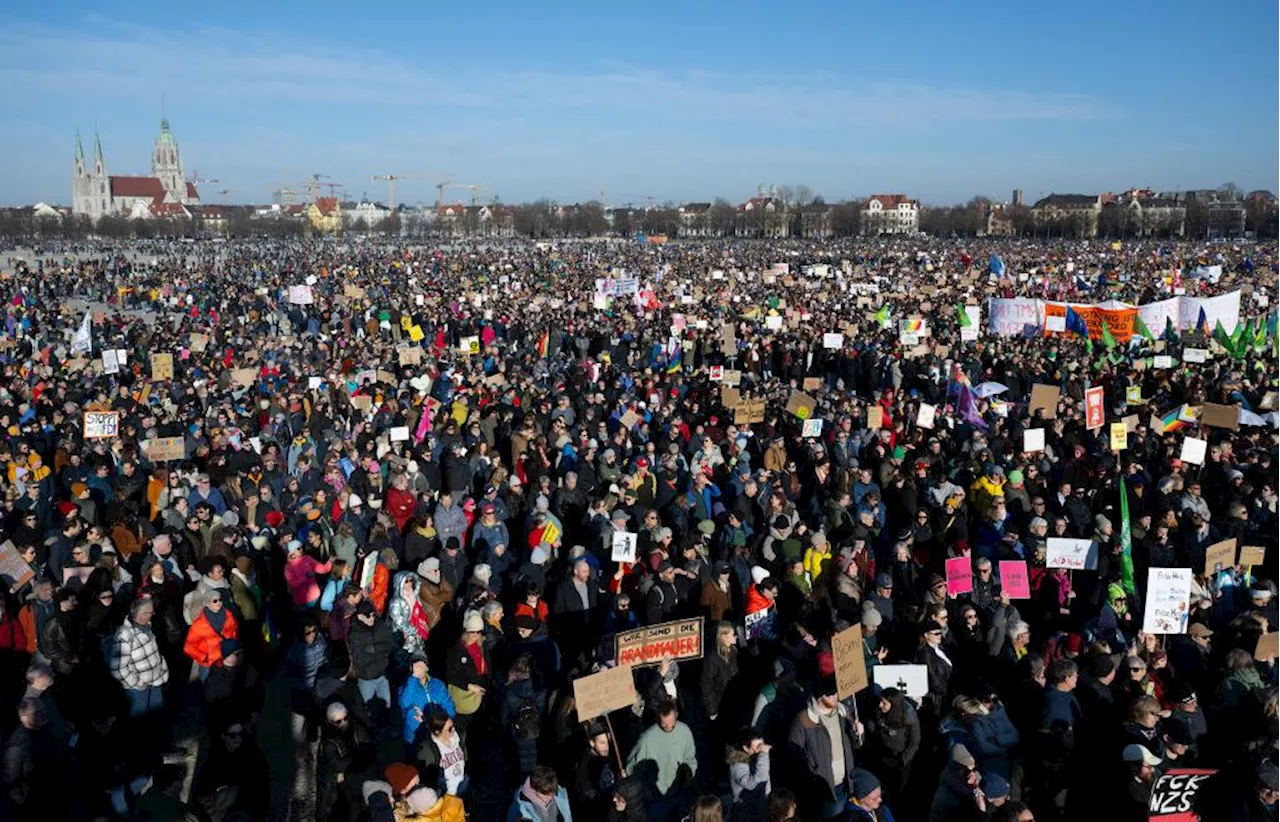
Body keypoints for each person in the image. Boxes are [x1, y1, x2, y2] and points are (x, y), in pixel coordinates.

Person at [788, 675, 862, 820]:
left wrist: (857, 733)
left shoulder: (844, 713)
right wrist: (811, 773)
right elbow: (794, 753)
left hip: (846, 781)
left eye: (835, 693)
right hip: (824, 786)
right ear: (818, 696)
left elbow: (857, 744)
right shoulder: (804, 719)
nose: (835, 697)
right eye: (829, 694)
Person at [626, 698, 698, 818]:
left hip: (679, 792)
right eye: (664, 724)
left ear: (676, 715)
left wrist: (687, 775)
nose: (668, 727)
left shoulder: (684, 731)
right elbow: (632, 767)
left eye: (671, 723)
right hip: (656, 798)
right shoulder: (647, 738)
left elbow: (690, 758)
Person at [727, 726, 771, 822]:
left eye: (762, 744)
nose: (761, 748)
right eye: (757, 746)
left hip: (759, 806)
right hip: (744, 811)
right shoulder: (737, 764)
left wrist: (767, 795)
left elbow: (765, 777)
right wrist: (763, 755)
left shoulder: (756, 758)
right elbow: (752, 784)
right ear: (746, 748)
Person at [508, 764, 573, 821]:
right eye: (545, 794)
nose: (550, 798)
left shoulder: (559, 793)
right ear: (534, 789)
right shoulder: (520, 809)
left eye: (552, 793)